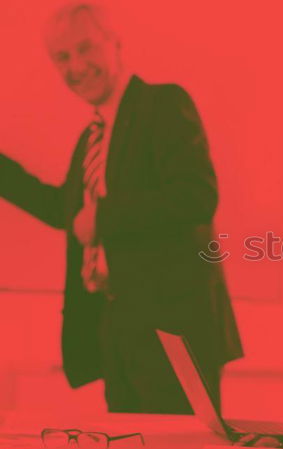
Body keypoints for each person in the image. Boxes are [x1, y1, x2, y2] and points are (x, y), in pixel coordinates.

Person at [0, 2, 243, 413]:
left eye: (85, 48)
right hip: (117, 333)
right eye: (62, 57)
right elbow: (68, 213)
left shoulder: (162, 104)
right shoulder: (90, 139)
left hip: (173, 336)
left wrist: (104, 216)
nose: (76, 66)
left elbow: (196, 196)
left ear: (115, 43)